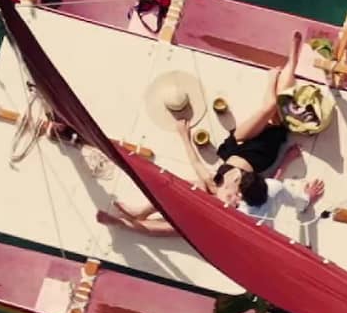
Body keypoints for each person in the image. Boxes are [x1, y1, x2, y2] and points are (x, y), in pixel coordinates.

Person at [99, 117, 323, 233]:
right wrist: (184, 136)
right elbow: (277, 185)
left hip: (212, 222)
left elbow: (277, 189)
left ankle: (121, 224)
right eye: (234, 191)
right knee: (185, 186)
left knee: (169, 228)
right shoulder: (257, 187)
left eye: (235, 196)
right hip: (215, 201)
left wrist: (305, 199)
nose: (234, 198)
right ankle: (141, 210)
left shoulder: (242, 213)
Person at [214, 29, 305, 176]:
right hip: (262, 155)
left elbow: (198, 168)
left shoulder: (213, 187)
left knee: (270, 106)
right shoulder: (249, 192)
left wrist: (184, 136)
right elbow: (272, 181)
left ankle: (274, 77)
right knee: (278, 108)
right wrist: (287, 160)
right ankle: (292, 61)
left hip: (235, 147)